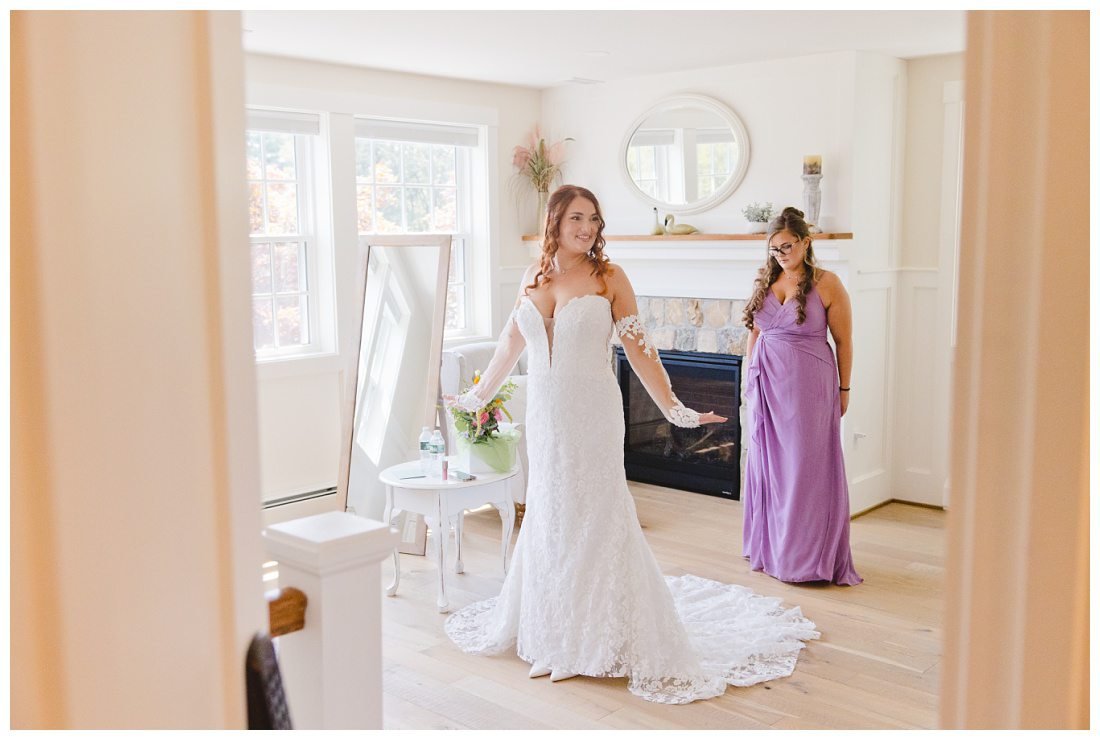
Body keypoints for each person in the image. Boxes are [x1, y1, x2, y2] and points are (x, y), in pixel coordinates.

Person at [442, 185, 820, 704]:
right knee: (551, 518)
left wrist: (677, 412)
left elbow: (641, 353)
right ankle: (551, 634)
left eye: (594, 219)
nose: (587, 228)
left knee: (594, 519)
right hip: (547, 420)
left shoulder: (609, 278)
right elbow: (511, 344)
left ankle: (587, 643)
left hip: (592, 415)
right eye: (576, 218)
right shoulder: (534, 276)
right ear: (554, 220)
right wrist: (475, 397)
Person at [741, 206, 863, 586]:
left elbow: (843, 341)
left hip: (809, 386)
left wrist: (844, 389)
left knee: (804, 470)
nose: (781, 255)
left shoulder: (828, 283)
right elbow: (756, 334)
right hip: (769, 387)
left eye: (788, 247)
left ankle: (806, 559)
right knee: (770, 467)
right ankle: (773, 551)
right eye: (775, 249)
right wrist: (750, 379)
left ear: (806, 243)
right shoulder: (766, 279)